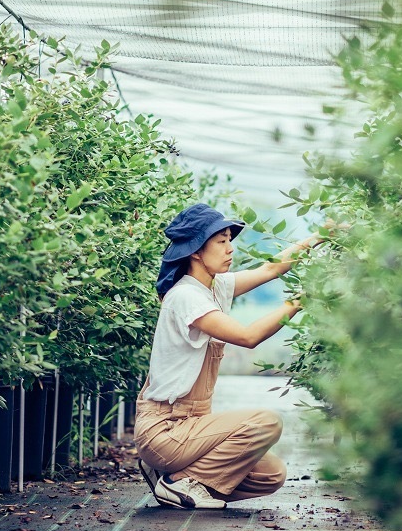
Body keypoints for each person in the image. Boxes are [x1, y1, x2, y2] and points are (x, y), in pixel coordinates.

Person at [134, 202, 324, 509]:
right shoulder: (185, 296)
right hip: (166, 430)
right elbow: (248, 337)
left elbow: (271, 268)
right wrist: (299, 302)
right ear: (196, 251)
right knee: (266, 422)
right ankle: (175, 482)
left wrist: (322, 234)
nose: (229, 249)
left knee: (271, 475)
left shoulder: (215, 286)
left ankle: (178, 477)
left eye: (229, 241)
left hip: (192, 427)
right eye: (220, 242)